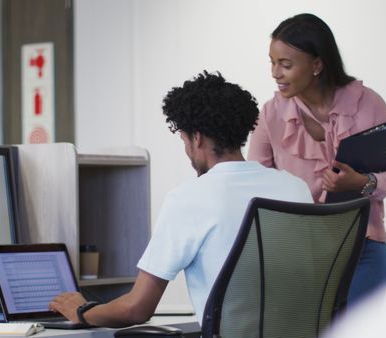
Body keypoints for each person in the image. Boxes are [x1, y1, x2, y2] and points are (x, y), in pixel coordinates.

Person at [49, 71, 313, 327]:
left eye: (184, 140)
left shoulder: (189, 198)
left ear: (196, 138)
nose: (187, 151)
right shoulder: (295, 188)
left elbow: (136, 309)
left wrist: (83, 311)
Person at [247, 13, 386, 305]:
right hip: (298, 256)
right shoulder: (271, 115)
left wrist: (364, 182)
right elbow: (255, 186)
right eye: (272, 62)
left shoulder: (367, 103)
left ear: (317, 64)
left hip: (363, 252)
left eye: (285, 64)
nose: (275, 72)